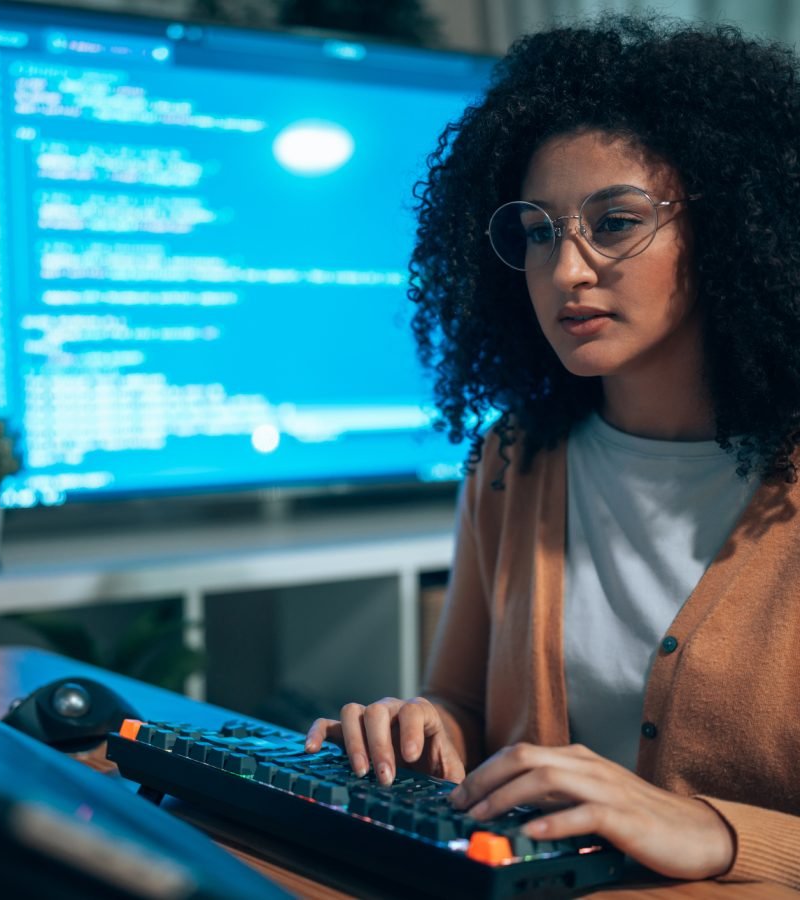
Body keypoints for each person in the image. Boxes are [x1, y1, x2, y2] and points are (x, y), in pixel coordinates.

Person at [305, 16, 800, 888]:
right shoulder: (513, 458)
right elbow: (461, 707)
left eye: (614, 223)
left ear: (731, 228)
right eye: (538, 233)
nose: (567, 270)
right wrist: (419, 734)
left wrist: (714, 833)